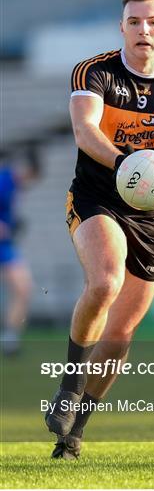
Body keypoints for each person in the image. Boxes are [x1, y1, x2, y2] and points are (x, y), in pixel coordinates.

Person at [45, 0, 154, 459]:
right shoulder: (94, 71)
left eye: (153, 22)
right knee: (106, 282)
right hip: (97, 196)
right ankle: (70, 386)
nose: (144, 30)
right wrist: (123, 164)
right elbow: (85, 130)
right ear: (122, 27)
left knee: (121, 334)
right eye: (134, 21)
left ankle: (74, 434)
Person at [0, 147, 40, 356]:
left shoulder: (15, 185)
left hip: (4, 247)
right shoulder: (4, 180)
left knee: (24, 288)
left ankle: (10, 339)